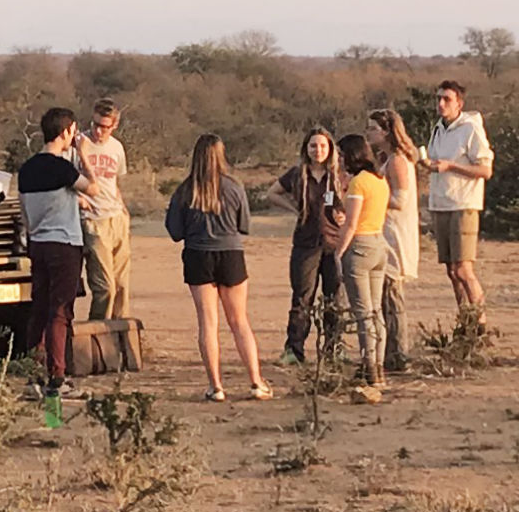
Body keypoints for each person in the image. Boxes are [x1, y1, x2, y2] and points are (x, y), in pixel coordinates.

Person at [162, 134, 272, 402]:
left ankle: (216, 386)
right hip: (231, 254)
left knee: (208, 322)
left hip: (198, 255)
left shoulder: (185, 190)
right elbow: (244, 225)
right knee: (239, 321)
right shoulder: (234, 187)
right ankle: (256, 382)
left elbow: (174, 231)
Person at [16, 108, 88, 412]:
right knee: (61, 311)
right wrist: (83, 157)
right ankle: (57, 378)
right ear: (67, 131)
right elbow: (94, 187)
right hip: (65, 245)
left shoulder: (27, 169)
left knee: (40, 308)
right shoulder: (62, 168)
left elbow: (25, 211)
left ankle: (34, 371)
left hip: (38, 243)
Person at [330, 131, 400, 398]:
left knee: (363, 312)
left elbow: (351, 223)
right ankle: (378, 366)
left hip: (360, 246)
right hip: (379, 243)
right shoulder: (379, 180)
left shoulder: (359, 183)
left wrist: (339, 252)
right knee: (375, 311)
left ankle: (369, 367)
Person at [419, 79, 495, 310]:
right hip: (441, 203)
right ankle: (465, 319)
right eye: (438, 99)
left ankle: (479, 321)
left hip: (463, 204)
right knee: (452, 270)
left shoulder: (470, 128)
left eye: (447, 99)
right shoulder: (438, 128)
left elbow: (485, 170)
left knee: (463, 268)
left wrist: (451, 166)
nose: (441, 104)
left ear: (459, 104)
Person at [272, 126, 344, 364]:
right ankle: (294, 350)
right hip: (305, 244)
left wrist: (345, 216)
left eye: (323, 145)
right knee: (302, 298)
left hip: (334, 244)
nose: (318, 150)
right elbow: (271, 193)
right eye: (313, 145)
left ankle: (333, 350)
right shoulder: (296, 174)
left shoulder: (340, 175)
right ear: (306, 148)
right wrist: (294, 209)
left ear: (330, 148)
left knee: (334, 298)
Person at [365, 106, 421, 374]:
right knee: (386, 295)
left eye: (373, 129)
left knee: (392, 295)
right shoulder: (387, 158)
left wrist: (373, 198)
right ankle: (391, 355)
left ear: (387, 131)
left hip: (395, 234)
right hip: (385, 230)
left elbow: (401, 199)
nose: (369, 133)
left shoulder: (398, 160)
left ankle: (399, 356)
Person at [75, 98, 134, 327]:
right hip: (93, 220)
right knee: (105, 286)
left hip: (116, 216)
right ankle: (97, 333)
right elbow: (62, 177)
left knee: (121, 286)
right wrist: (77, 198)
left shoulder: (117, 147)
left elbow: (114, 182)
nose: (98, 131)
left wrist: (124, 210)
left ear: (115, 126)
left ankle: (121, 336)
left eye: (104, 126)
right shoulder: (79, 143)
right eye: (96, 124)